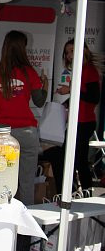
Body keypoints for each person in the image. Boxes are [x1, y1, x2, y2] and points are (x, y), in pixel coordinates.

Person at [0, 30, 48, 206]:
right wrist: (45, 86)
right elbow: (39, 101)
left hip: (3, 133)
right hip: (27, 131)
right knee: (27, 181)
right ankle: (26, 217)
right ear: (22, 49)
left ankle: (3, 213)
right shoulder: (29, 72)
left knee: (1, 179)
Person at [44, 39, 101, 193]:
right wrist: (64, 104)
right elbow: (81, 97)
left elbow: (94, 97)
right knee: (72, 158)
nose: (69, 55)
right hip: (78, 122)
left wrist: (70, 90)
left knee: (77, 159)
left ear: (83, 50)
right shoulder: (80, 70)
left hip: (84, 122)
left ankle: (80, 192)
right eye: (67, 52)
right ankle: (75, 191)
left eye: (72, 51)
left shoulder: (89, 70)